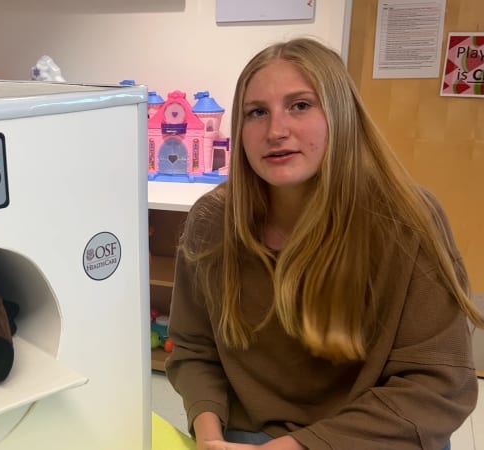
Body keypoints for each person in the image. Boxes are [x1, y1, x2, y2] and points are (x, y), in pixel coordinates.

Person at [165, 37, 484, 450]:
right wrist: (209, 436)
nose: (276, 131)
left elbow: (439, 384)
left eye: (300, 105)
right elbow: (193, 348)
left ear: (341, 114)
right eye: (257, 112)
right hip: (243, 434)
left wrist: (302, 446)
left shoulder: (407, 219)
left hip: (369, 436)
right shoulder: (211, 221)